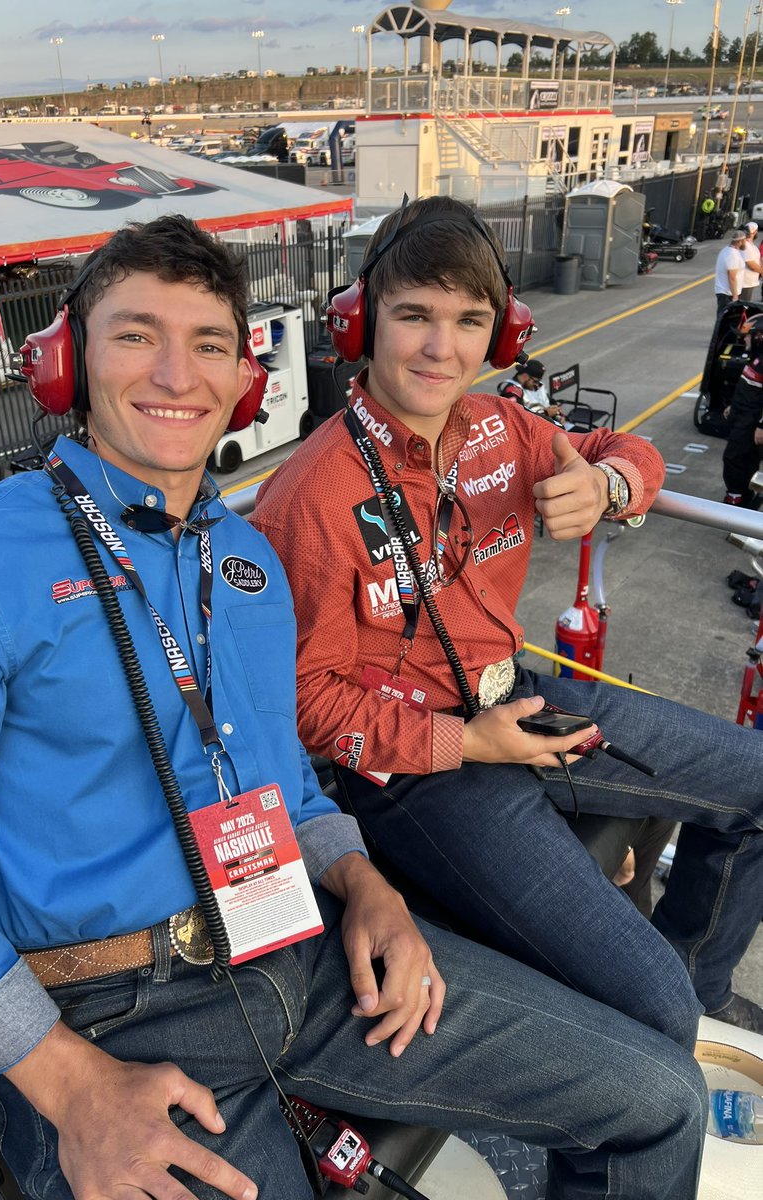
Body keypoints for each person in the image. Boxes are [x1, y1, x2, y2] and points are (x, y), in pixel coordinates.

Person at [0, 214, 709, 1200]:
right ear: (66, 367)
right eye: (137, 334)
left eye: (209, 344)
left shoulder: (248, 566)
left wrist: (365, 886)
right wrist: (72, 1087)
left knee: (659, 1100)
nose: (177, 374)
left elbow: (284, 780)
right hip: (110, 1021)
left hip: (296, 956)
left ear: (245, 384)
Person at [252, 195, 763, 1043]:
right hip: (416, 773)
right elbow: (305, 706)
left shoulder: (501, 426)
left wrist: (609, 487)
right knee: (653, 1008)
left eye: (468, 320)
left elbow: (619, 452)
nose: (440, 347)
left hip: (519, 699)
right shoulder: (307, 498)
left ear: (502, 333)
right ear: (361, 323)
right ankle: (670, 1026)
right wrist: (468, 744)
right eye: (414, 315)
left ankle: (698, 988)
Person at [723, 310, 763, 507]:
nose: (744, 339)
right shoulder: (756, 357)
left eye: (747, 335)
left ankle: (736, 497)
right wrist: (733, 406)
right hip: (741, 415)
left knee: (734, 458)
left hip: (751, 421)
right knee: (742, 458)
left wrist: (762, 426)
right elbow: (749, 388)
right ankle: (744, 495)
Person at [497, 357, 566, 426]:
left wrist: (558, 414)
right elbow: (517, 417)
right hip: (533, 429)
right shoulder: (512, 392)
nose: (537, 384)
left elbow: (549, 400)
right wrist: (546, 413)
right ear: (525, 376)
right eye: (535, 381)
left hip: (547, 422)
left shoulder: (535, 385)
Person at [714, 227, 748, 314]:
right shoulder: (732, 255)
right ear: (739, 241)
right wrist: (735, 296)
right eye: (744, 240)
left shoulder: (727, 250)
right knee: (726, 320)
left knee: (725, 319)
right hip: (728, 294)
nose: (746, 243)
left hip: (726, 292)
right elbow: (732, 277)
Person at [741, 220, 762, 303]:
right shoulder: (746, 245)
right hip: (745, 282)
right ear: (754, 232)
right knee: (742, 306)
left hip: (749, 282)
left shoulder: (751, 245)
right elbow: (751, 264)